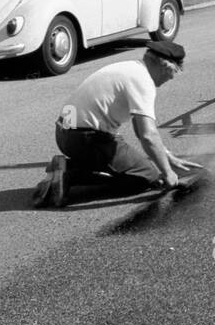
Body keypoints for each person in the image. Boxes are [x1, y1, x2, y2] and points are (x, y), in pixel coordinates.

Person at [34, 41, 200, 208]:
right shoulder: (142, 81)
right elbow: (148, 135)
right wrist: (168, 173)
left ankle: (67, 167)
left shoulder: (131, 68)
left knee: (123, 159)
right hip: (86, 138)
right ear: (166, 66)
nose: (170, 78)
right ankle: (70, 174)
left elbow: (139, 128)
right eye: (174, 73)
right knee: (145, 177)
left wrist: (168, 157)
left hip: (64, 133)